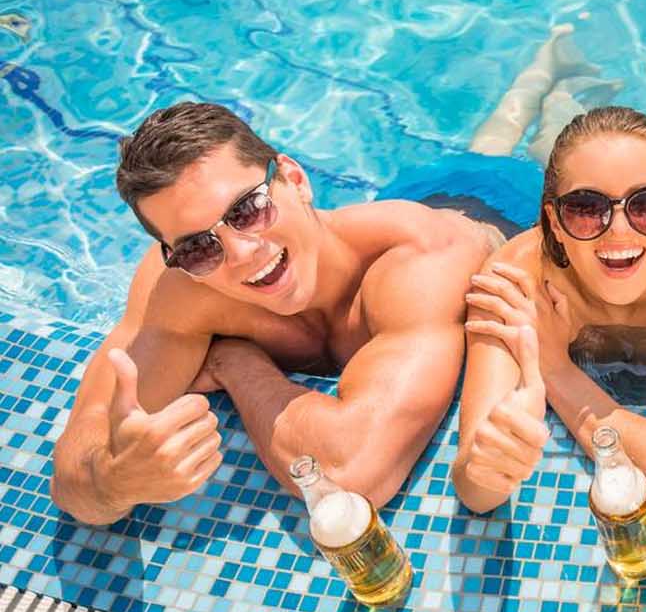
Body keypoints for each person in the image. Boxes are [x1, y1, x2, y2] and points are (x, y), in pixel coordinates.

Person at [51, 102, 497, 525]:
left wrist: (237, 363)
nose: (242, 254)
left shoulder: (421, 258)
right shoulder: (182, 289)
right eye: (197, 246)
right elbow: (76, 465)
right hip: (409, 190)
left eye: (247, 209)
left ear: (296, 179)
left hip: (501, 204)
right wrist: (115, 482)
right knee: (486, 140)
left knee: (500, 142)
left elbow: (352, 476)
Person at [450, 102, 646, 519]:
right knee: (500, 157)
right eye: (585, 208)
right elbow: (472, 485)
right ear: (554, 221)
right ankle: (543, 86)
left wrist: (554, 367)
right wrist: (486, 471)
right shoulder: (515, 279)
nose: (619, 229)